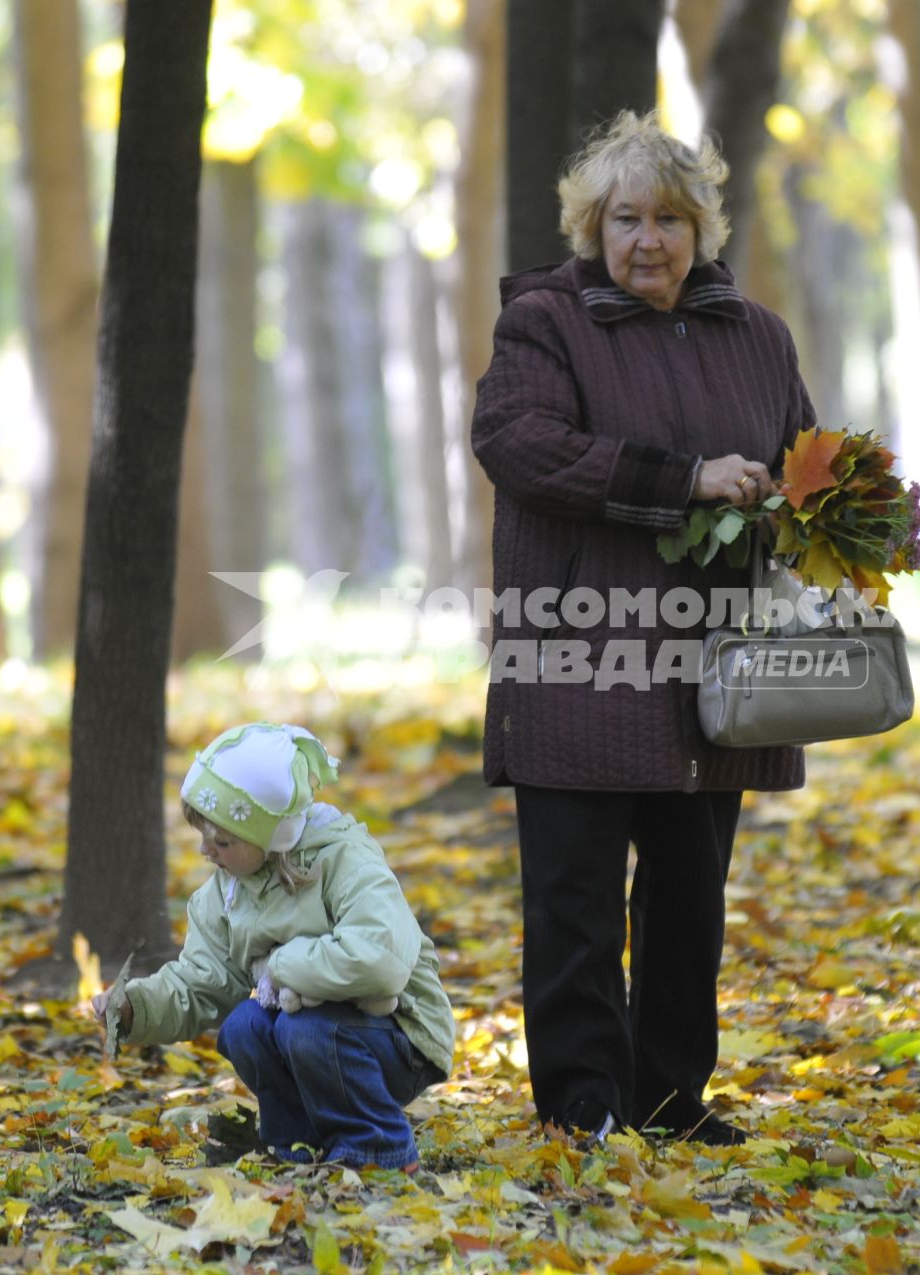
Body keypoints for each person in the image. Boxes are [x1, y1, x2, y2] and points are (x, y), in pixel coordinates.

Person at [469, 111, 816, 1146]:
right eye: (626, 218)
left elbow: (800, 449)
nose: (648, 241)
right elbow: (519, 443)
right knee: (573, 901)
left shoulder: (756, 336)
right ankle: (584, 1105)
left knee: (689, 904)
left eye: (669, 218)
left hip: (710, 669)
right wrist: (683, 481)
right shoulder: (545, 322)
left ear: (702, 228)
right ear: (591, 226)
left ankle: (671, 1100)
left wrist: (846, 507)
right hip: (577, 652)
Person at [90, 722, 455, 1172]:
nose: (206, 851)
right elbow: (202, 984)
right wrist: (135, 1008)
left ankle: (377, 1147)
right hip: (322, 1036)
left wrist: (280, 966)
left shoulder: (342, 859)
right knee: (245, 1025)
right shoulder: (224, 893)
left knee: (304, 1029)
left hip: (401, 1037)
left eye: (222, 840)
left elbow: (379, 959)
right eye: (202, 835)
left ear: (271, 836)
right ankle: (295, 1144)